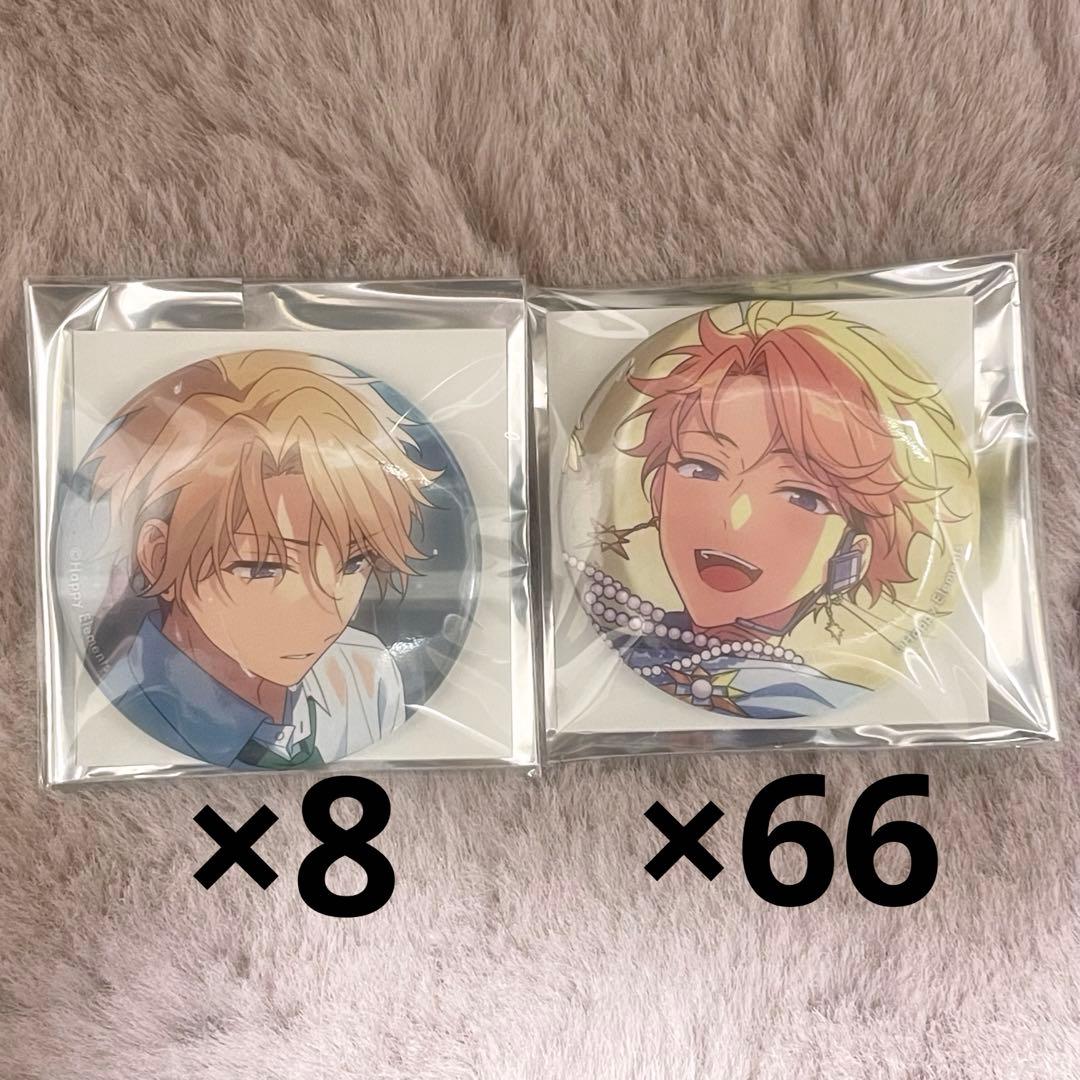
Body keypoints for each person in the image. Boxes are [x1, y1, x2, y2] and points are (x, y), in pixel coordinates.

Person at [577, 302, 969, 718]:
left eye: (802, 496)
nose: (736, 517)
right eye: (701, 468)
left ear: (854, 552)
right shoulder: (632, 636)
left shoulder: (804, 692)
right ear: (658, 491)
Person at [86, 349, 438, 768]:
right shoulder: (114, 714)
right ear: (157, 555)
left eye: (353, 562)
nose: (324, 616)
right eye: (263, 568)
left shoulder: (364, 673)